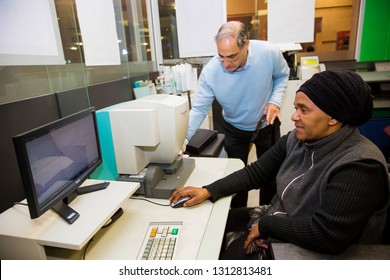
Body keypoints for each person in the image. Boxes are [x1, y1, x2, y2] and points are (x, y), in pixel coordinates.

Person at [171, 70, 390, 259]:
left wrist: (267, 226)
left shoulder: (360, 165)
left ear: (333, 117)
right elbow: (256, 172)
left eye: (303, 110)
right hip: (282, 219)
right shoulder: (297, 138)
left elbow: (326, 236)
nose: (294, 117)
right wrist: (209, 190)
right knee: (211, 225)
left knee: (220, 257)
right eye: (296, 107)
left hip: (319, 249)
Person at [184, 21, 290, 208]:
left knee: (271, 177)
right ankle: (237, 221)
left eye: (232, 57)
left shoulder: (269, 53)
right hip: (234, 128)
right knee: (236, 180)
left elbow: (282, 75)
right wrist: (182, 140)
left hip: (266, 124)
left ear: (246, 44)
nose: (226, 64)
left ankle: (267, 221)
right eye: (221, 56)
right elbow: (199, 109)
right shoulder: (211, 71)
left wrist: (275, 101)